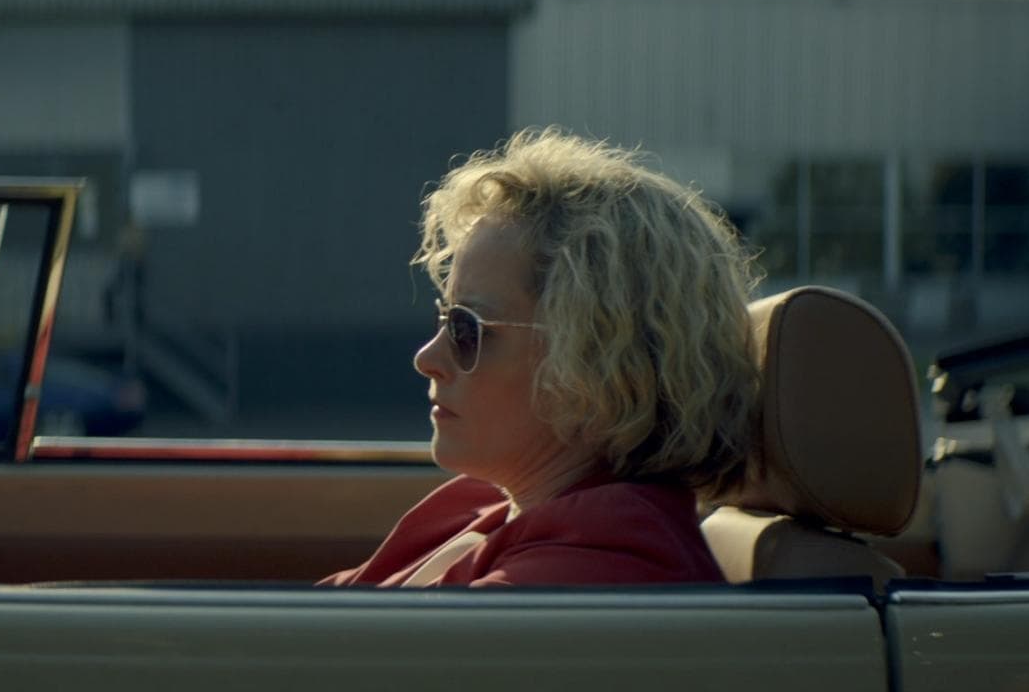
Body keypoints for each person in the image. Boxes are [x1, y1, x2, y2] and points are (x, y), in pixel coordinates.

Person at [320, 127, 760, 587]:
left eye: (467, 330)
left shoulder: (601, 560)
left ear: (597, 363)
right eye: (443, 319)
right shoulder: (493, 508)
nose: (426, 358)